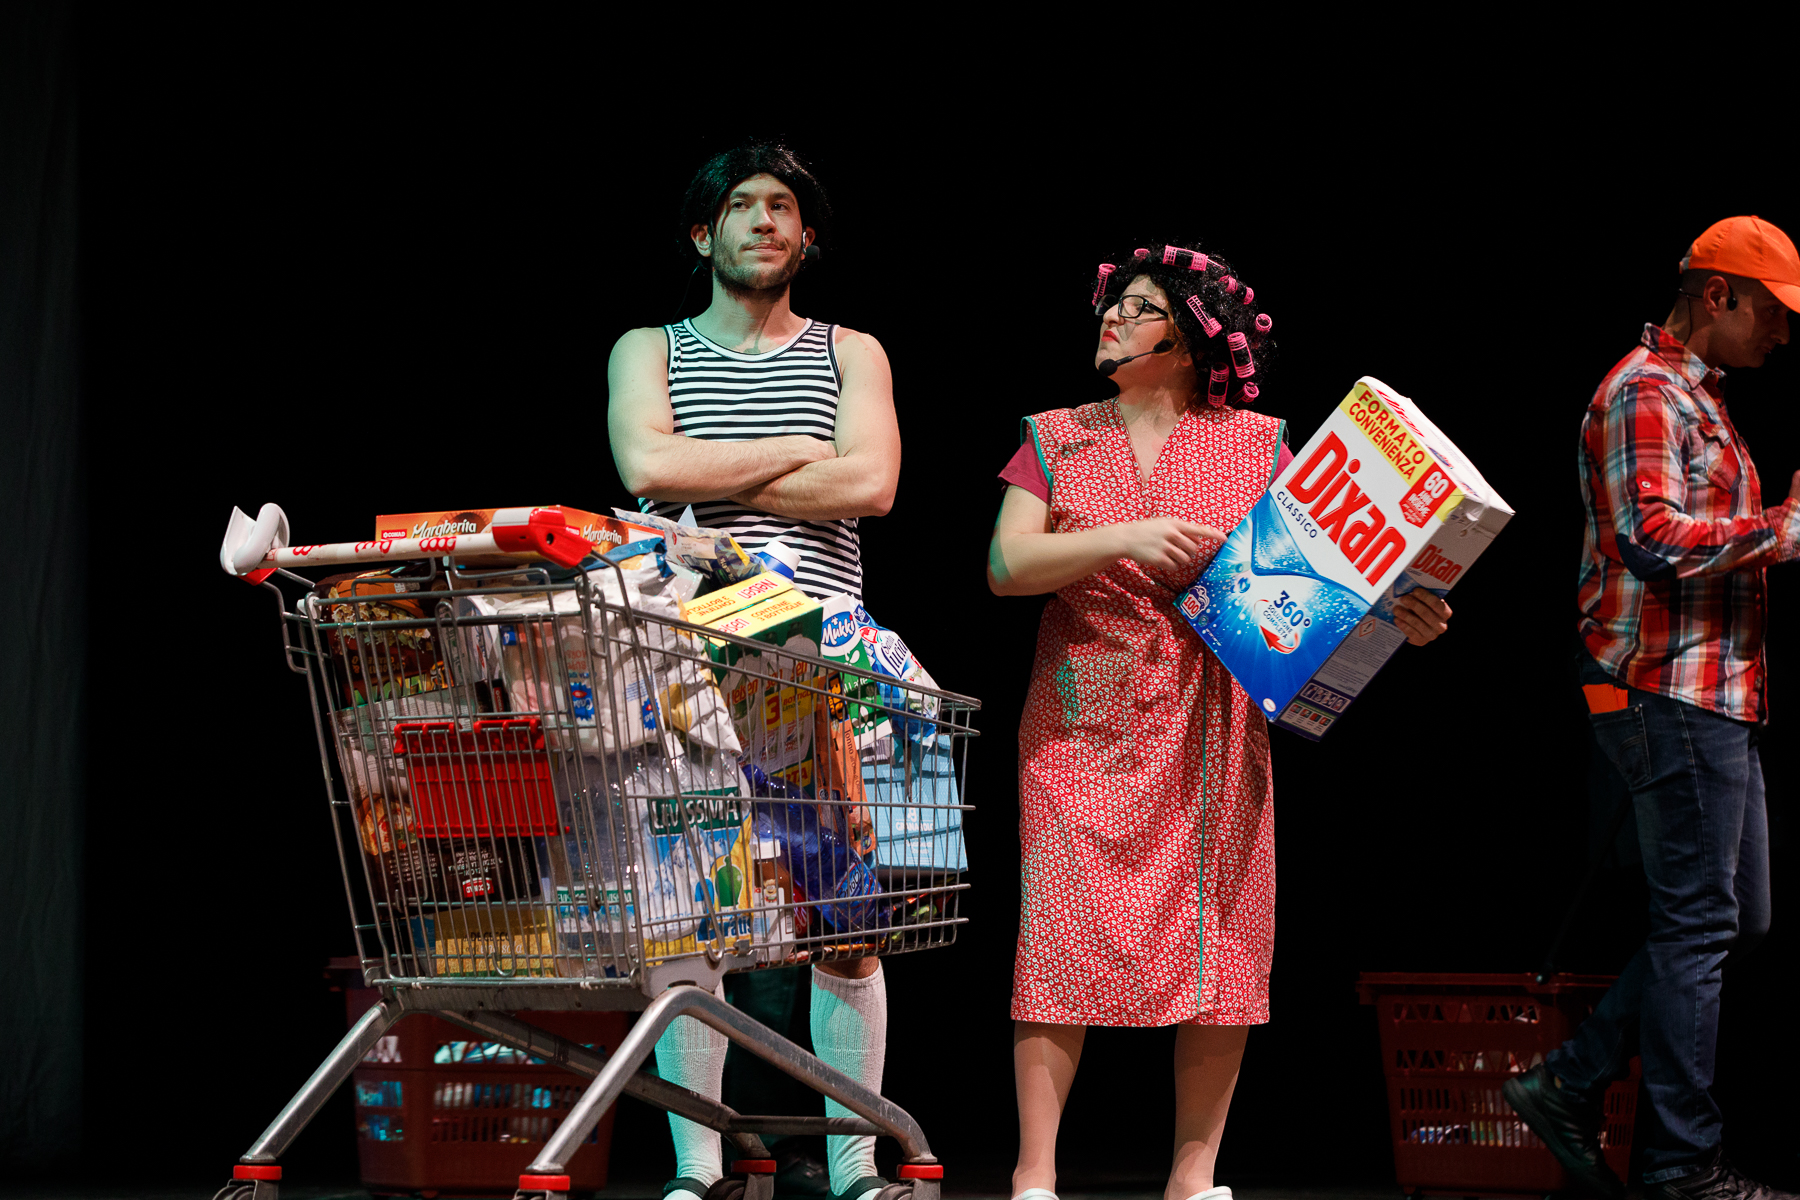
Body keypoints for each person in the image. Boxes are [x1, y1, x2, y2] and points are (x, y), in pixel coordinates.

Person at [988, 244, 1452, 1200]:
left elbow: (1311, 590)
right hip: (1082, 716)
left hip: (1212, 722)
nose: (1112, 317)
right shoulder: (1054, 435)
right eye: (1112, 304)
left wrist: (1394, 615)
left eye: (1138, 308)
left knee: (1221, 938)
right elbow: (1006, 567)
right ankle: (1035, 1175)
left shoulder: (1260, 445)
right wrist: (1123, 537)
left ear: (1193, 340)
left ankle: (1192, 1178)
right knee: (1060, 930)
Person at [607, 141, 901, 1200]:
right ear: (705, 233)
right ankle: (697, 1171)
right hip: (678, 658)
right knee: (689, 917)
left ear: (807, 238)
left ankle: (855, 1168)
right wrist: (803, 455)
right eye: (742, 205)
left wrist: (716, 475)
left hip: (817, 664)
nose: (765, 220)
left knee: (844, 917)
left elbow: (873, 485)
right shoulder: (649, 349)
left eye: (783, 207)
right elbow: (646, 466)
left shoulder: (852, 352)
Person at [1504, 216, 1800, 1200]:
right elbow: (1650, 538)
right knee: (1701, 922)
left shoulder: (1698, 397)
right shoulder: (1643, 391)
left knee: (1734, 920)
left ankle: (1568, 1080)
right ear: (1717, 294)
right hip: (1667, 689)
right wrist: (1781, 531)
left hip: (1715, 692)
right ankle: (1679, 1164)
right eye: (1771, 311)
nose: (1783, 333)